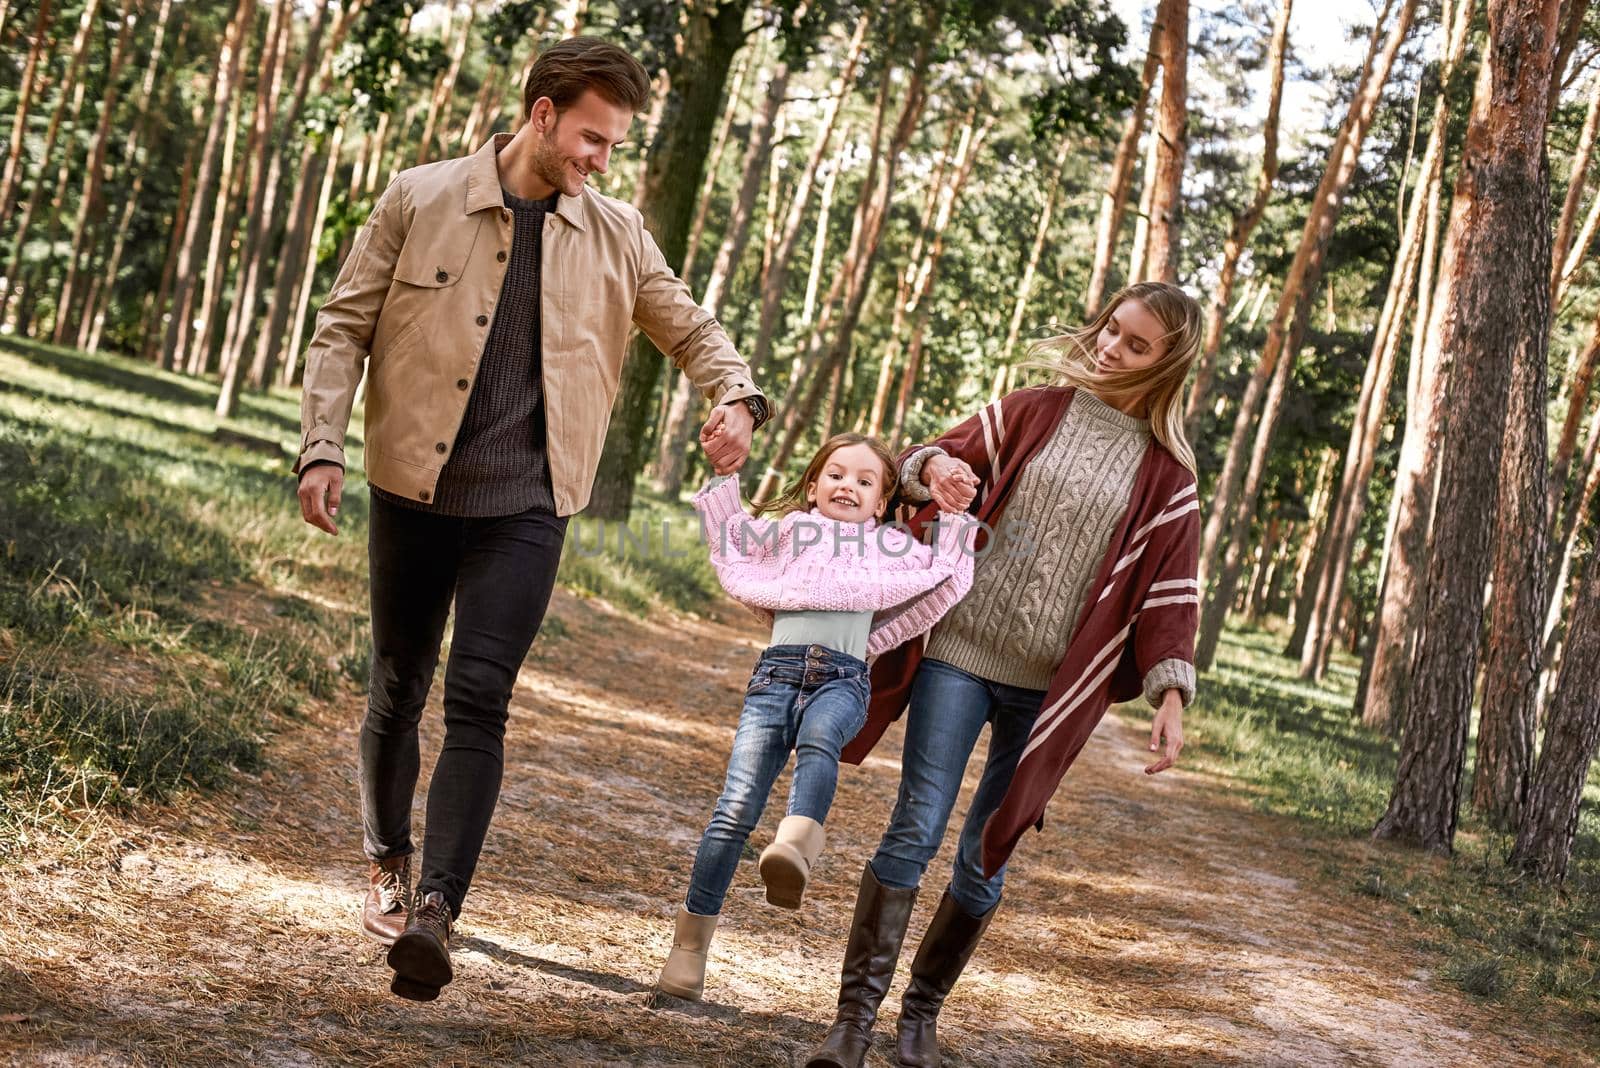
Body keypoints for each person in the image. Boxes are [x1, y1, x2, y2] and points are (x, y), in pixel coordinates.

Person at [292, 37, 770, 1003]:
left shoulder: (618, 232)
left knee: (479, 696)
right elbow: (342, 326)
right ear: (542, 114)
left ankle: (435, 910)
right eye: (592, 138)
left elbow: (690, 325)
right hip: (412, 490)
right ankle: (389, 859)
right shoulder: (419, 196)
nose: (602, 159)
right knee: (398, 687)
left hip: (529, 503)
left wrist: (738, 399)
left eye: (616, 145)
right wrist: (323, 444)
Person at [805, 282, 1204, 1068]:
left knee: (987, 853)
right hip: (960, 652)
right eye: (1108, 329)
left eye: (1134, 344)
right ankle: (853, 1022)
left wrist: (1171, 692)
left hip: (1052, 691)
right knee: (915, 827)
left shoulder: (1169, 478)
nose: (1109, 348)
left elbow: (1170, 590)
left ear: (1167, 365)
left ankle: (919, 1016)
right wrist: (939, 471)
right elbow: (922, 461)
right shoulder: (1031, 410)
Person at [655, 433, 978, 1002]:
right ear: (812, 486)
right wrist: (725, 477)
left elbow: (945, 576)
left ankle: (798, 843)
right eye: (835, 474)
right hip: (774, 677)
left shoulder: (887, 547)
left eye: (863, 480)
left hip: (844, 678)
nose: (847, 486)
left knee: (821, 739)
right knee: (733, 811)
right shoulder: (790, 534)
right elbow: (733, 540)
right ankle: (689, 948)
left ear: (882, 502)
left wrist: (952, 517)